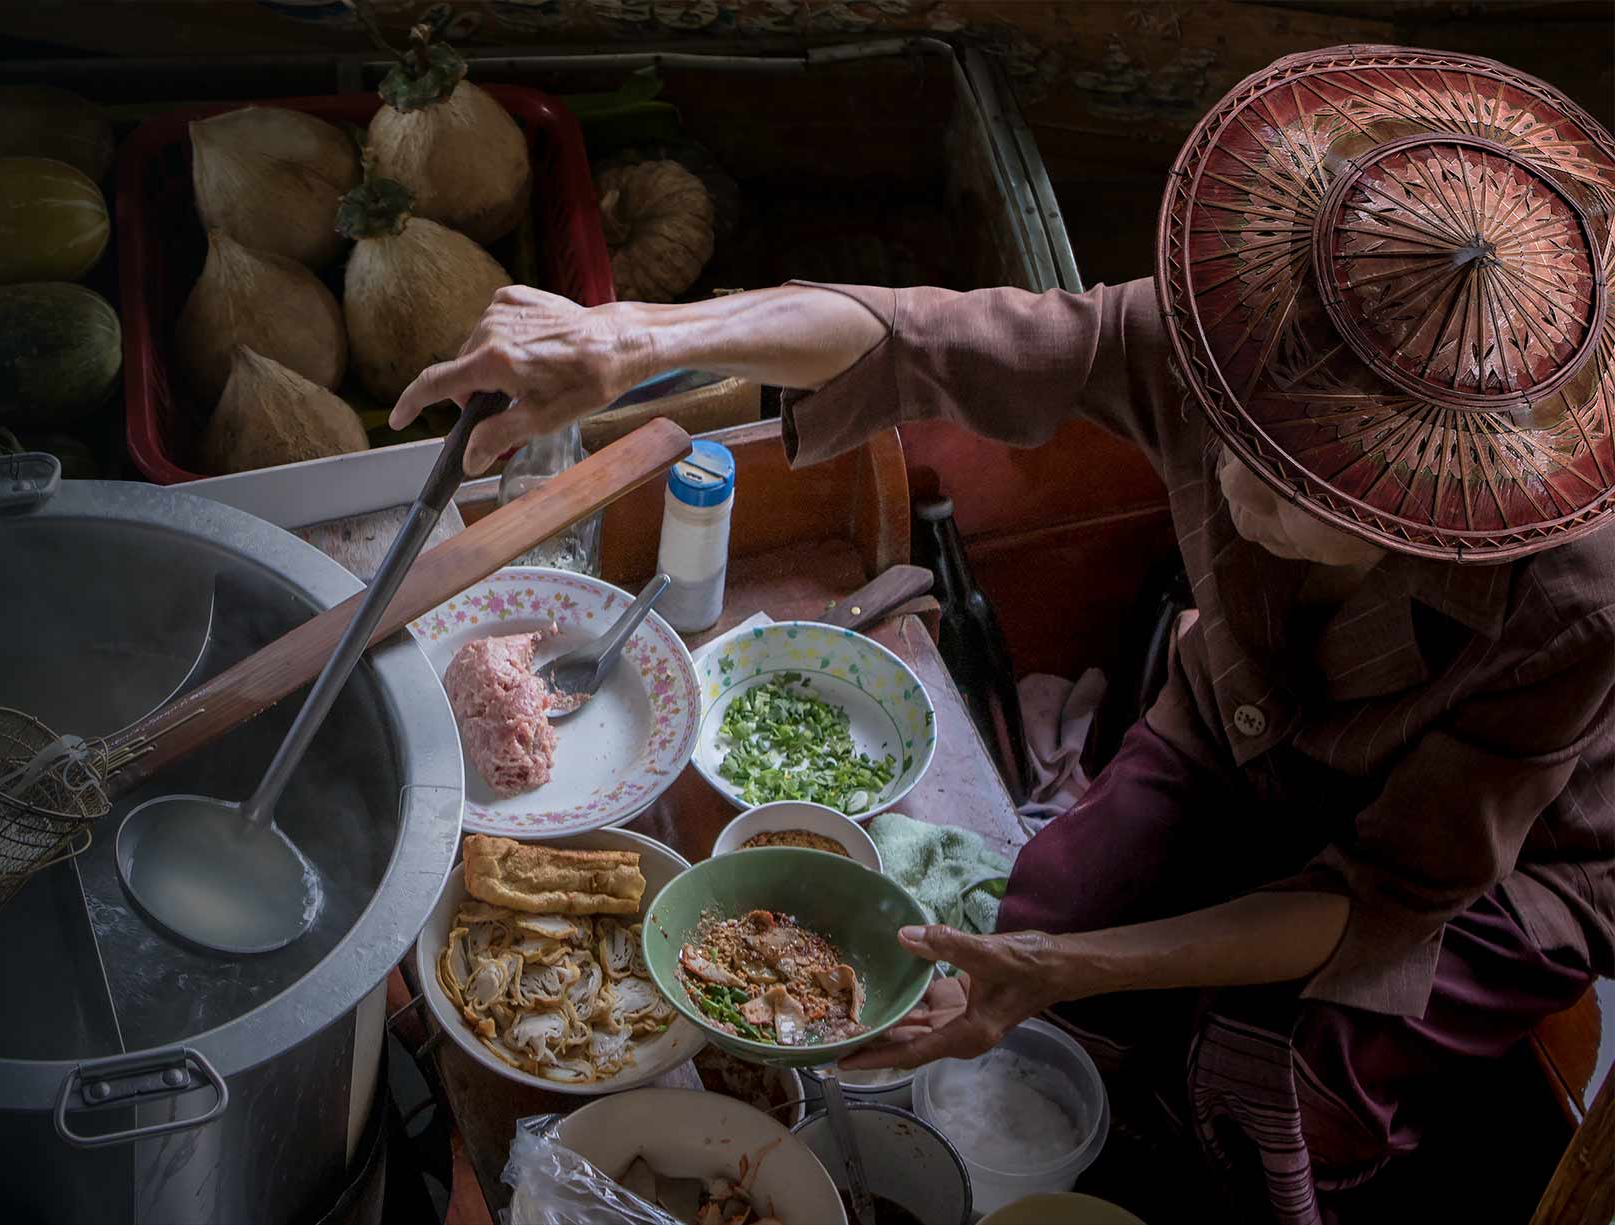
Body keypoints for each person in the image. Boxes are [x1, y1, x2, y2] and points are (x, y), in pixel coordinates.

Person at [392, 46, 1615, 1224]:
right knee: (1040, 906)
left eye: (1310, 485)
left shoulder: (1566, 607)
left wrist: (1073, 972)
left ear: (1434, 513)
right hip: (1243, 722)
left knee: (1290, 1090)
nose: (1240, 474)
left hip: (1486, 876)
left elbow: (1384, 899)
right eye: (1239, 430)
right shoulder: (1234, 347)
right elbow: (928, 335)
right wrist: (639, 340)